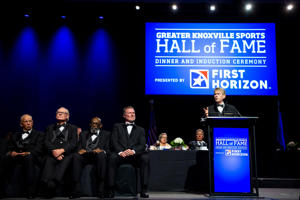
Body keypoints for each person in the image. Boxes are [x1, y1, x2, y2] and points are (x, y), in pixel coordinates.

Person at [107, 106, 149, 198]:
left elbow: (142, 145)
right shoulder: (117, 126)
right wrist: (120, 152)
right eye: (129, 113)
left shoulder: (140, 129)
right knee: (112, 158)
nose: (132, 114)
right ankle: (111, 189)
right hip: (121, 155)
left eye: (133, 113)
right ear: (124, 115)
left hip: (134, 156)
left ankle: (143, 190)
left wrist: (133, 151)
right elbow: (114, 142)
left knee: (145, 158)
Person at [41, 107, 78, 198]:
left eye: (62, 113)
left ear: (67, 116)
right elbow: (46, 142)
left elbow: (73, 143)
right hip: (52, 153)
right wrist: (54, 152)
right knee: (49, 160)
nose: (59, 114)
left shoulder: (73, 128)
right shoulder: (49, 128)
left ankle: (54, 182)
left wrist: (62, 151)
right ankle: (47, 184)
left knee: (67, 159)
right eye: (58, 112)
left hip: (66, 153)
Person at [70, 117, 111, 199]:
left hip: (98, 157)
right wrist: (80, 151)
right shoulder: (83, 134)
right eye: (93, 123)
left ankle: (101, 190)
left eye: (96, 124)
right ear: (90, 124)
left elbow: (109, 149)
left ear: (101, 125)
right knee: (76, 156)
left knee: (102, 155)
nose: (94, 125)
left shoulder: (107, 134)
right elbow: (78, 147)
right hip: (85, 157)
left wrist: (102, 150)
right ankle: (76, 190)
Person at [5, 114, 44, 199]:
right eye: (26, 121)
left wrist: (28, 153)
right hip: (18, 157)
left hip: (31, 157)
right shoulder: (16, 135)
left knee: (28, 158)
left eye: (30, 121)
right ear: (21, 124)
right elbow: (10, 147)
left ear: (32, 123)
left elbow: (39, 149)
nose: (29, 123)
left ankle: (31, 191)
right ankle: (4, 188)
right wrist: (12, 152)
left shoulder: (39, 134)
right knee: (6, 158)